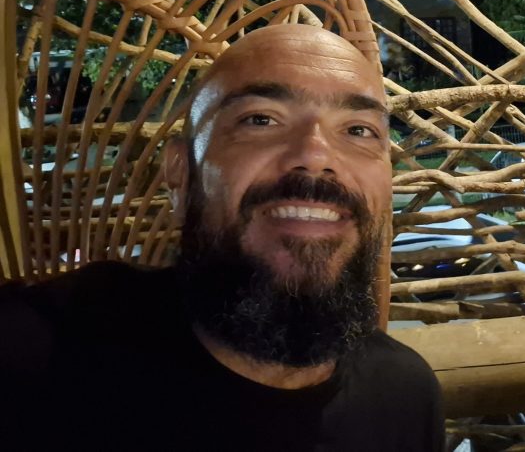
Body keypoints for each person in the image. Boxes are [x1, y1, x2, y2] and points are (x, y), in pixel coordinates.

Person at [0, 24, 443, 451]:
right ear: (181, 176)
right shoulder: (39, 357)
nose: (315, 155)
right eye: (261, 119)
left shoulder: (404, 396)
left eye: (359, 130)